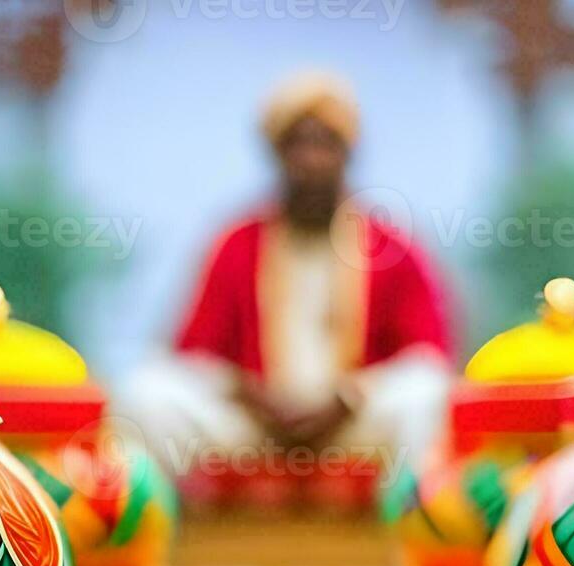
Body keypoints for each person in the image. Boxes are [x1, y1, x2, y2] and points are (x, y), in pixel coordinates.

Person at [124, 72, 455, 504]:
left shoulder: (390, 245)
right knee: (148, 392)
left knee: (426, 390)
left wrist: (349, 398)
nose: (312, 159)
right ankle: (185, 536)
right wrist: (250, 394)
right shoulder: (237, 242)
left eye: (326, 144)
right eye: (299, 144)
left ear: (347, 153)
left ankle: (408, 530)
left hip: (353, 427)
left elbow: (428, 353)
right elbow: (195, 353)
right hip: (255, 427)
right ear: (277, 154)